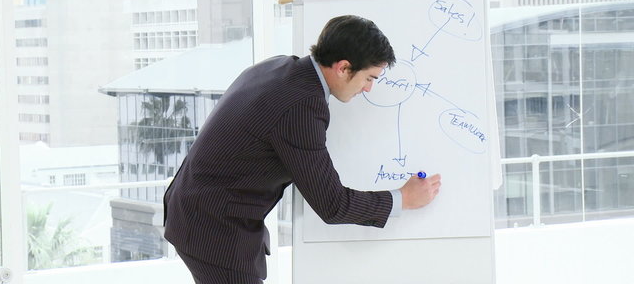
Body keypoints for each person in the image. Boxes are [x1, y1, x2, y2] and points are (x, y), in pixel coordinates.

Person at [163, 15, 442, 284]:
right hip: (213, 230)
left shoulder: (280, 67)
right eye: (369, 78)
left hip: (196, 210)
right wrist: (402, 198)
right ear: (343, 68)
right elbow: (332, 205)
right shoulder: (301, 106)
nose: (368, 89)